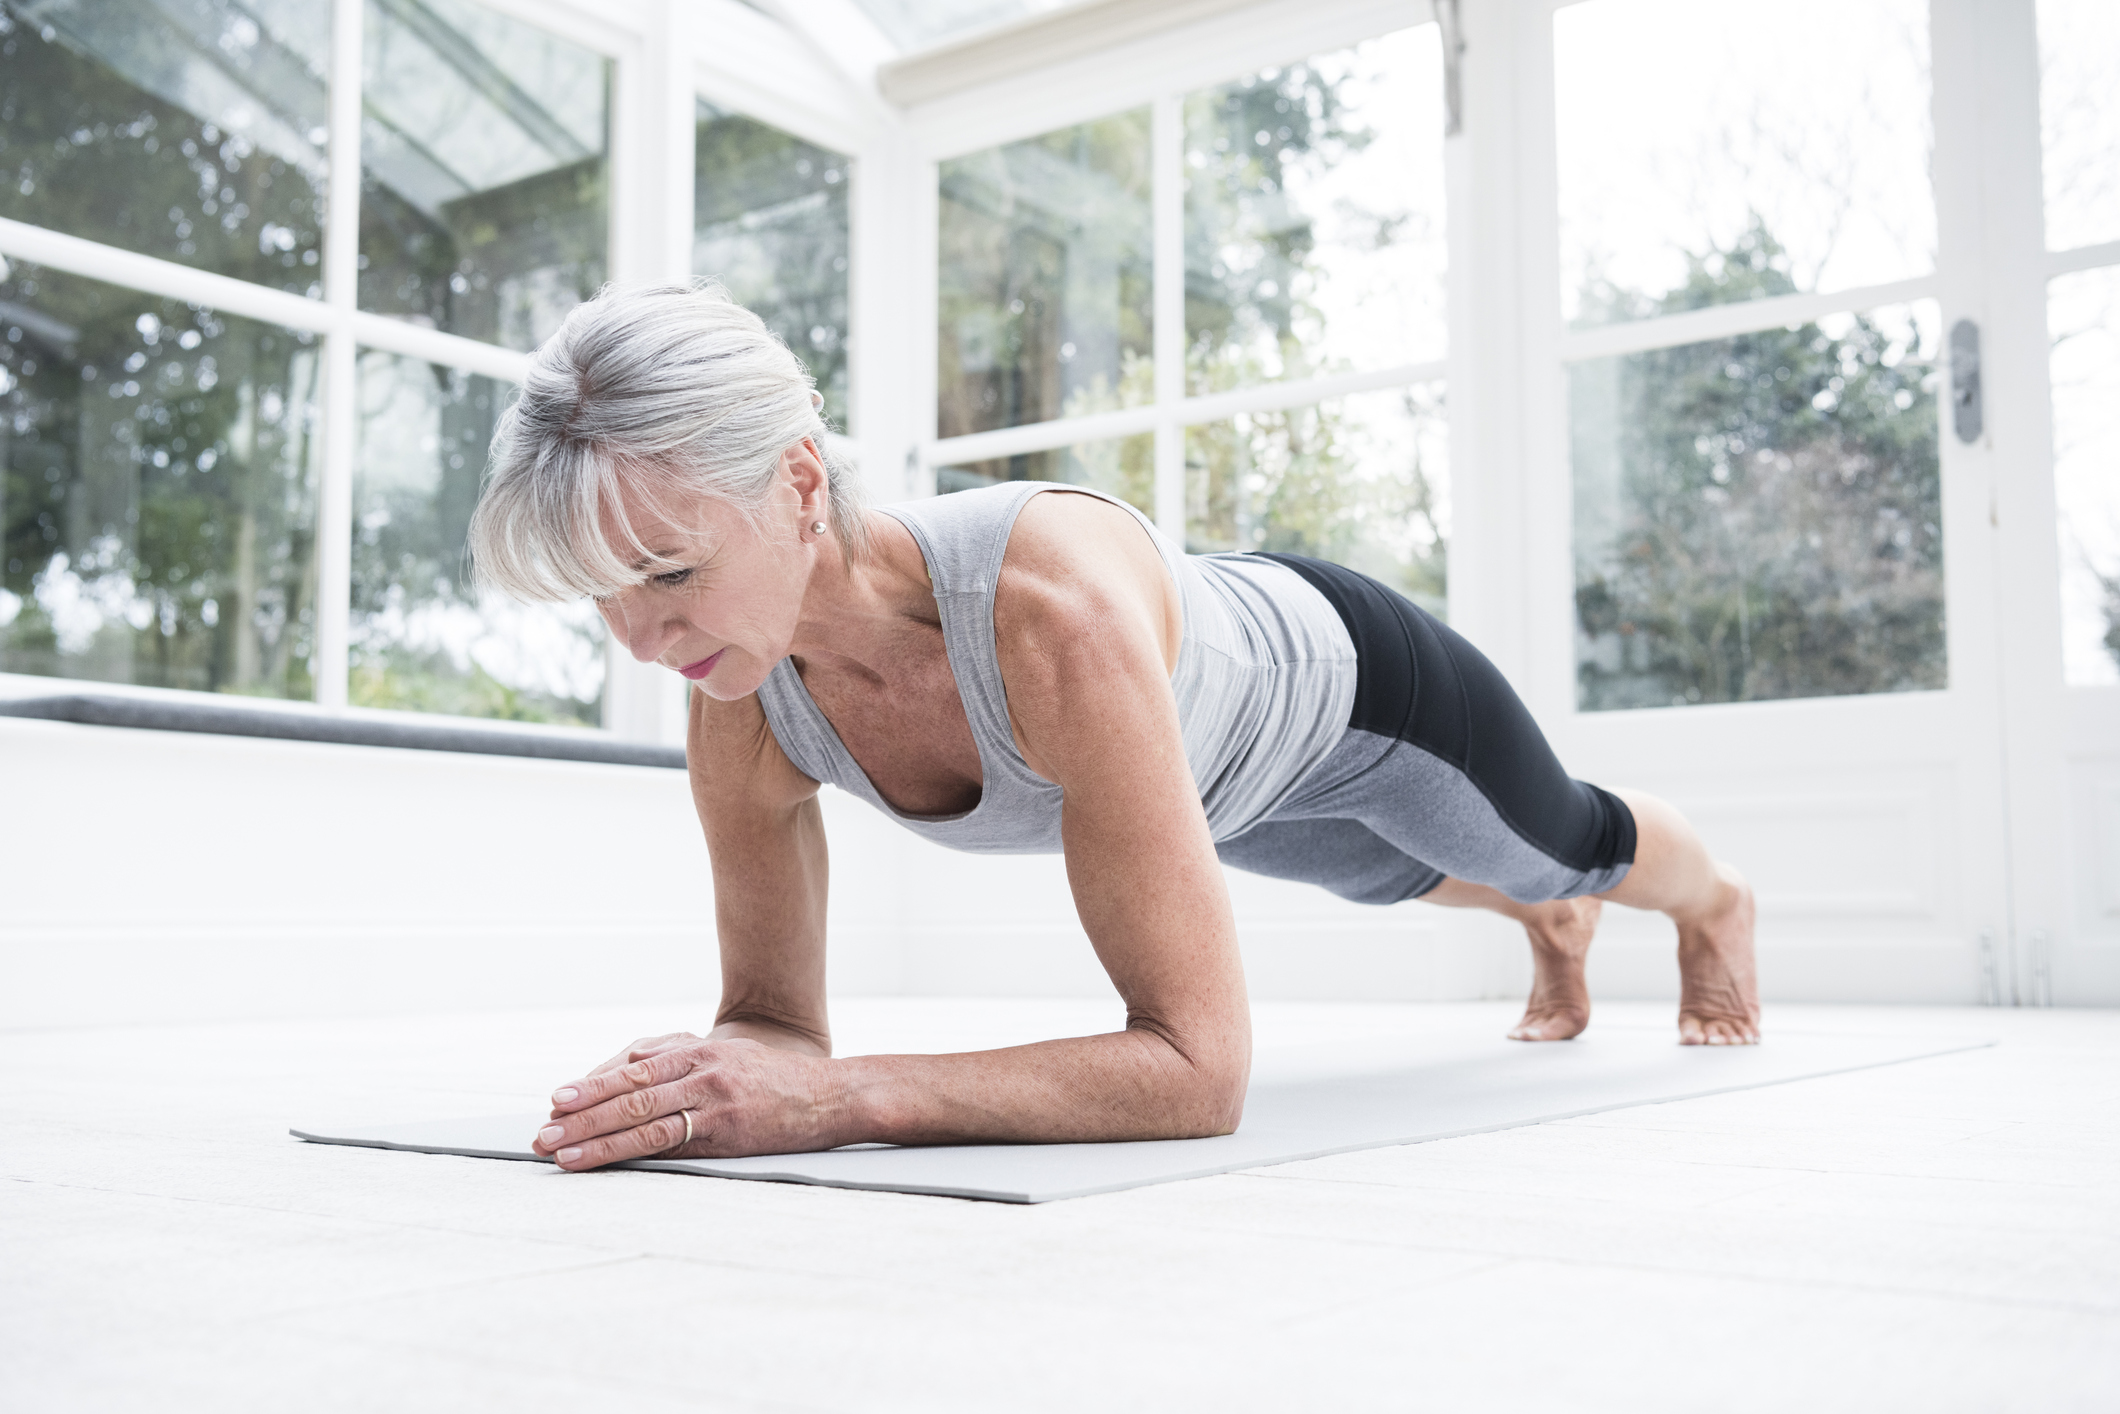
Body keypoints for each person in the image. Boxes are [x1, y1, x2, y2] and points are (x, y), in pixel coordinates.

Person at [469, 284, 1760, 1174]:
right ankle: (1542, 928)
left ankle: (1712, 907)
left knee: (1564, 845)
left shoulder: (1051, 613)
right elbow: (771, 1023)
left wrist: (850, 1095)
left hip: (1358, 693)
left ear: (801, 483)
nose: (639, 640)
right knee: (1407, 878)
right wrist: (720, 1073)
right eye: (604, 597)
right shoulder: (741, 696)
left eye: (672, 573)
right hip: (1222, 773)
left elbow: (1198, 1073)